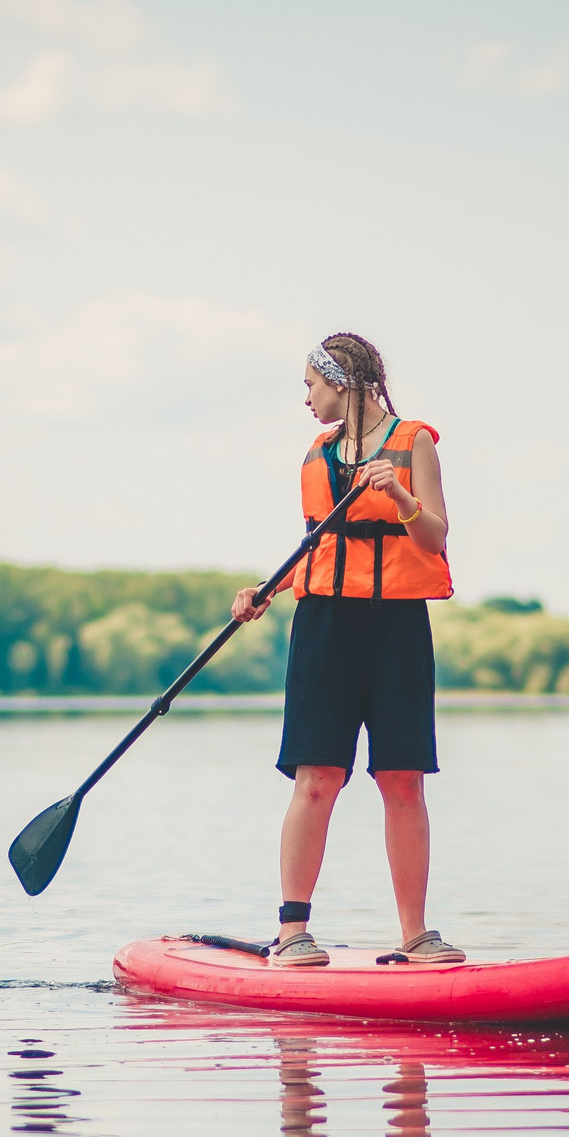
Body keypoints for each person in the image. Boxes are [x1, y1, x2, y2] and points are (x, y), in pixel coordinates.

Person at [229, 333, 462, 967]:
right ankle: (292, 934)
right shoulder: (319, 452)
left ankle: (415, 936)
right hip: (325, 626)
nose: (305, 398)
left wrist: (402, 495)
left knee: (403, 780)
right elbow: (320, 543)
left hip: (396, 629)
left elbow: (434, 538)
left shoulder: (412, 443)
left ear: (344, 381)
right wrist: (266, 589)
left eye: (311, 384)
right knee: (316, 779)